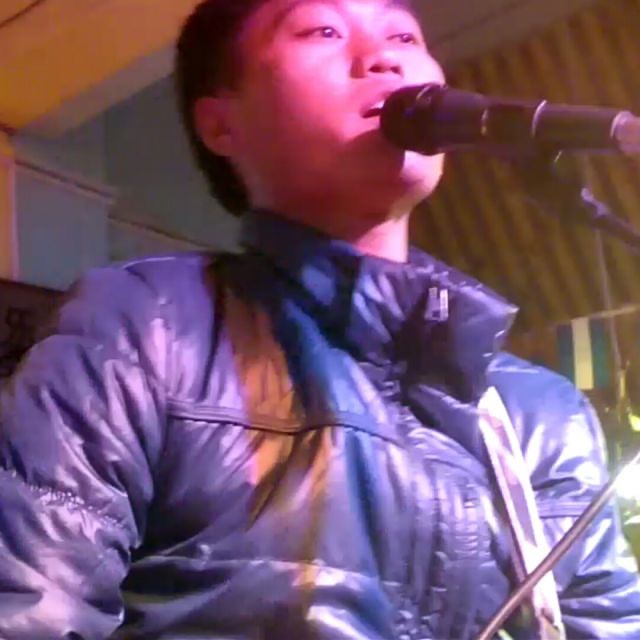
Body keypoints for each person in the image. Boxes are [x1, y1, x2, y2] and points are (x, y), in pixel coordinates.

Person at [1, 0, 639, 638]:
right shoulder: (142, 325)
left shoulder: (543, 412)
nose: (383, 57)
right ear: (220, 124)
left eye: (403, 35)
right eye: (323, 29)